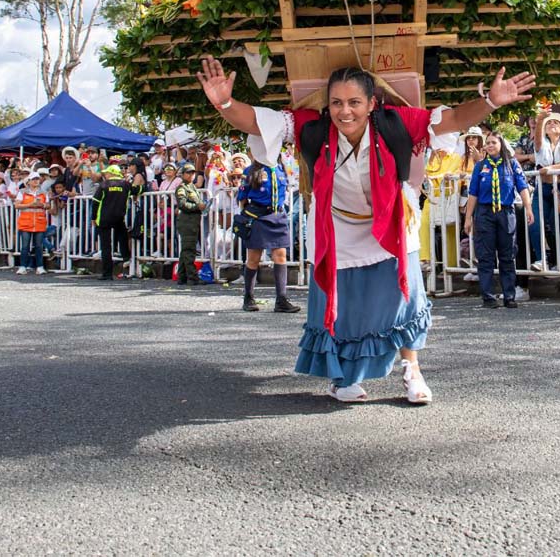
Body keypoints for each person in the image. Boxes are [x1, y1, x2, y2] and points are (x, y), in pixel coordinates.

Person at [196, 56, 534, 405]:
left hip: (392, 220)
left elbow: (452, 120)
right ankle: (343, 375)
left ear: (372, 103)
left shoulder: (395, 122)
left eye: (355, 102)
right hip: (336, 226)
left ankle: (412, 369)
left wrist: (492, 100)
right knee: (344, 304)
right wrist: (223, 102)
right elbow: (253, 120)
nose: (346, 112)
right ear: (327, 106)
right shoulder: (311, 127)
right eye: (337, 103)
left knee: (405, 298)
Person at [463, 132, 534, 308]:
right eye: (487, 143)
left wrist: (528, 208)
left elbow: (522, 186)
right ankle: (488, 296)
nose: (490, 145)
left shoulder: (511, 164)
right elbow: (473, 193)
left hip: (506, 212)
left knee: (507, 255)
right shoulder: (480, 166)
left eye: (493, 142)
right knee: (485, 256)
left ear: (501, 144)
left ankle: (509, 296)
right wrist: (468, 218)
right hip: (485, 213)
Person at [236, 157, 299, 313]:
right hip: (257, 215)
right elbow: (242, 198)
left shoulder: (280, 168)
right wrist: (245, 217)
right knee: (254, 258)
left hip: (277, 215)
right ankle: (248, 297)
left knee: (281, 256)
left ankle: (281, 299)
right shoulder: (251, 170)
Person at [529, 112, 560, 274]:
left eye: (556, 123)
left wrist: (550, 169)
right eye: (549, 123)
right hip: (542, 188)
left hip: (559, 189)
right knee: (534, 223)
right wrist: (541, 119)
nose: (552, 125)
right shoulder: (542, 143)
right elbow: (536, 141)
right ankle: (541, 259)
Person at [93, 163, 130, 280]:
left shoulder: (103, 185)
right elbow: (138, 189)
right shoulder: (126, 184)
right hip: (119, 217)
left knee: (106, 246)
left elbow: (95, 202)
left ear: (111, 173)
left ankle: (107, 274)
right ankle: (127, 258)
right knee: (122, 236)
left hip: (104, 218)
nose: (105, 175)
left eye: (107, 173)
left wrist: (93, 218)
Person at [174, 163, 206, 286]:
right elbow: (182, 204)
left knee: (185, 250)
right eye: (188, 173)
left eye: (193, 173)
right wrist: (197, 206)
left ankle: (181, 277)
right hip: (187, 222)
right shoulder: (182, 188)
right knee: (189, 250)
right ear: (183, 174)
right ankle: (193, 277)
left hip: (192, 221)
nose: (191, 175)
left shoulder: (192, 187)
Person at [14, 172, 49, 275]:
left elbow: (48, 205)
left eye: (37, 179)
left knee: (38, 246)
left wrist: (41, 204)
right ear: (28, 181)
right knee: (25, 246)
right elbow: (17, 205)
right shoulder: (22, 192)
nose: (36, 181)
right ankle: (23, 266)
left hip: (39, 222)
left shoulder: (43, 192)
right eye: (33, 179)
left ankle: (40, 266)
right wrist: (31, 204)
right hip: (26, 222)